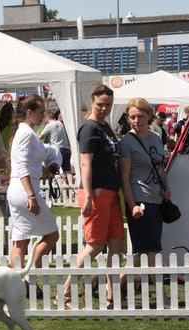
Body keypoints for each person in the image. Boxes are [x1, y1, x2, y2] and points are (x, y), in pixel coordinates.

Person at [62, 84, 123, 310]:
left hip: (111, 192)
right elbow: (85, 163)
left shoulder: (104, 126)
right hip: (96, 192)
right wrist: (87, 195)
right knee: (95, 245)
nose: (104, 108)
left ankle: (112, 297)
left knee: (116, 243)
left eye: (108, 104)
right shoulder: (89, 128)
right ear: (92, 102)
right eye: (100, 104)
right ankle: (65, 292)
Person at [6, 95, 60, 290]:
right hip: (25, 191)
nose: (44, 116)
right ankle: (29, 275)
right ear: (29, 113)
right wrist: (31, 195)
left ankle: (15, 283)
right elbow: (22, 166)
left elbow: (30, 162)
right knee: (52, 235)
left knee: (20, 240)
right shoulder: (26, 133)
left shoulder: (25, 132)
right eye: (41, 112)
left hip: (19, 189)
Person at [119, 98, 172, 280]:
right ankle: (160, 292)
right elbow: (125, 177)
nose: (136, 121)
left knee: (143, 252)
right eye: (132, 117)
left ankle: (115, 286)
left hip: (158, 198)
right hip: (140, 200)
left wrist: (166, 188)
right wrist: (132, 204)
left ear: (149, 115)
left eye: (140, 116)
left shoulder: (156, 138)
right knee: (153, 249)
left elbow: (160, 167)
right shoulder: (126, 142)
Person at [39, 109, 75, 206]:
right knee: (68, 172)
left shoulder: (49, 125)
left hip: (57, 151)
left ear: (47, 119)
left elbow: (40, 137)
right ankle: (73, 192)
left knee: (58, 176)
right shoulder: (61, 124)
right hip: (67, 150)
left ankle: (66, 199)